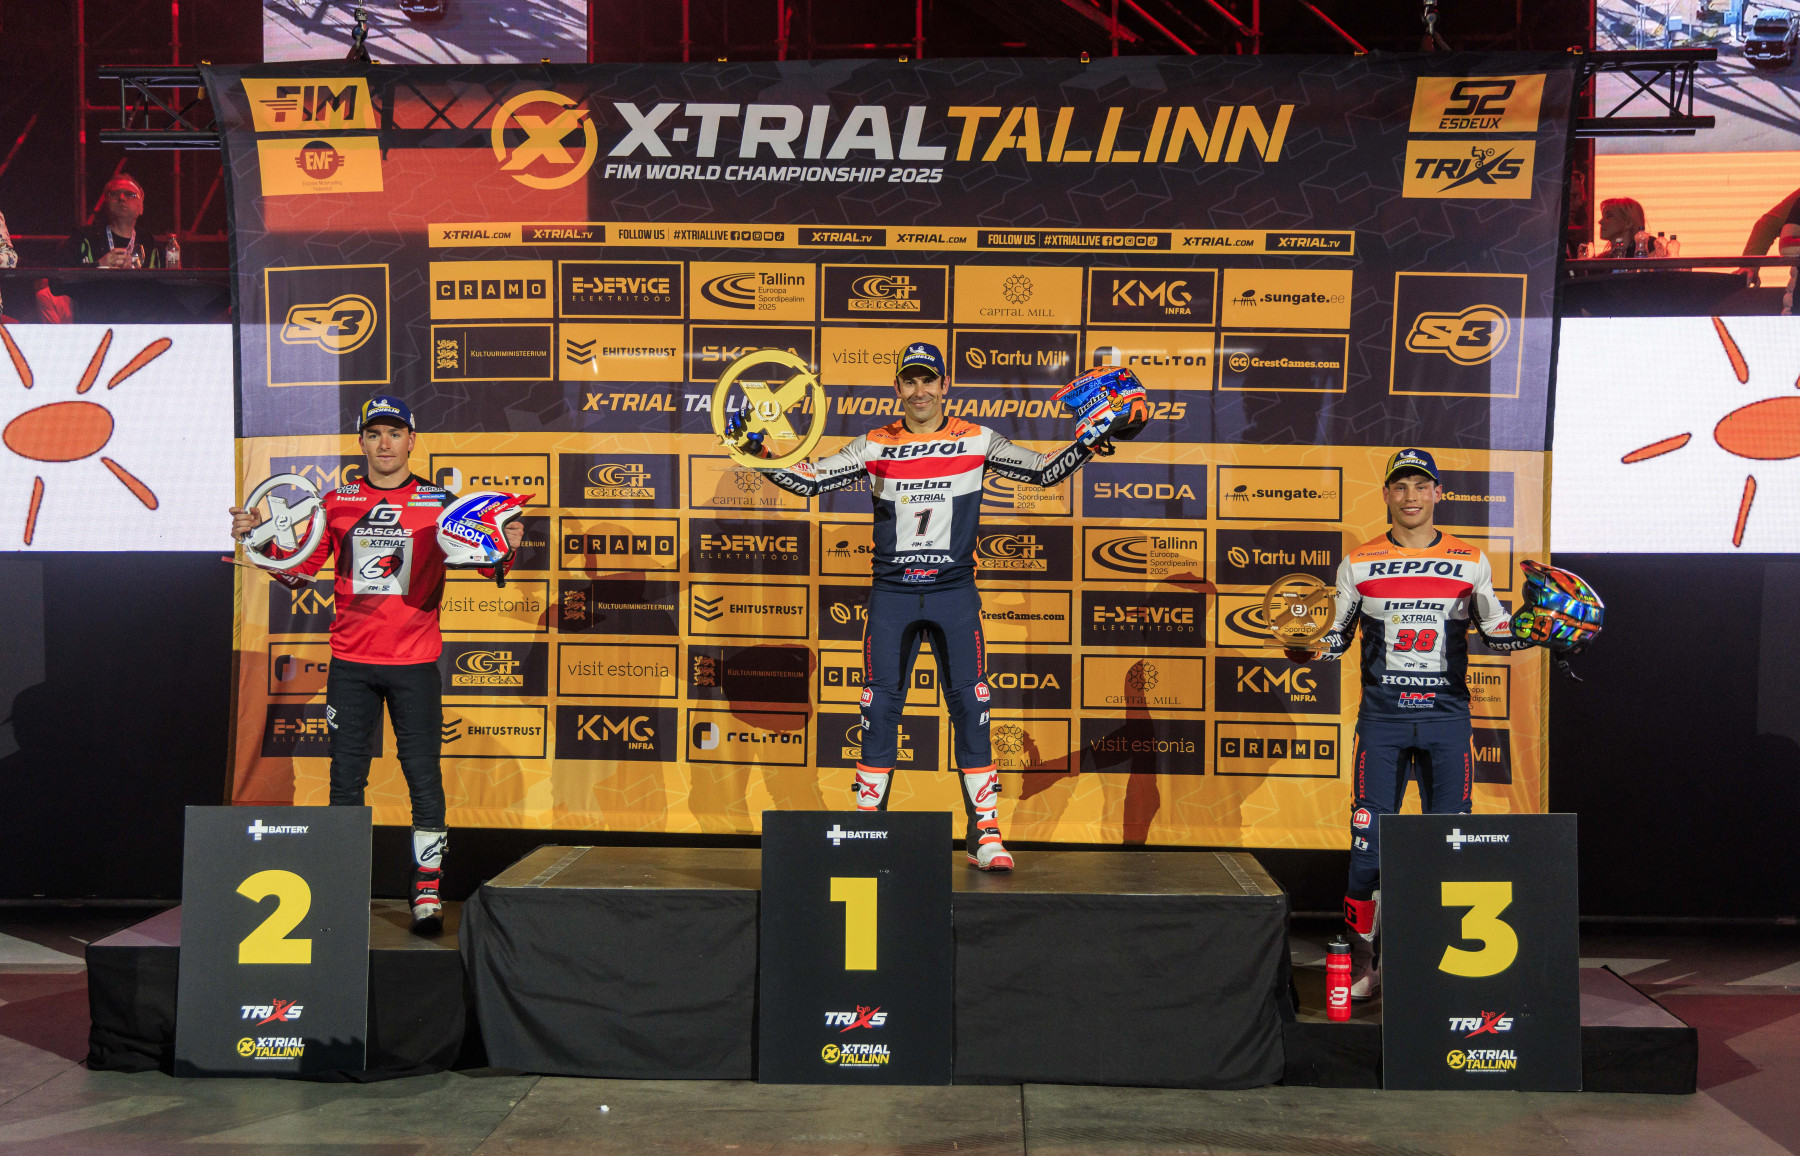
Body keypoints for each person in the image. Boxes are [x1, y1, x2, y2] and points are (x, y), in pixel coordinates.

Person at [727, 343, 1129, 871]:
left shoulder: (977, 438)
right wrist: (755, 451)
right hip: (892, 595)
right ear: (897, 387)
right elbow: (809, 480)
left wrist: (1088, 442)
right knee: (878, 710)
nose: (920, 391)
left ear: (945, 385)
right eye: (910, 381)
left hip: (953, 593)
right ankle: (868, 829)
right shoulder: (874, 443)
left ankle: (985, 835)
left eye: (928, 380)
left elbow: (1043, 472)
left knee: (973, 709)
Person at [228, 396, 523, 932]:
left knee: (423, 777)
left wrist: (507, 545)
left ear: (412, 440)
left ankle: (427, 891)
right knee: (346, 781)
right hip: (351, 664)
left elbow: (487, 565)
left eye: (394, 433)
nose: (385, 444)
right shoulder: (334, 502)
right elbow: (298, 574)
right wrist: (258, 539)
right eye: (374, 434)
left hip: (414, 663)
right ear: (361, 441)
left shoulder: (441, 503)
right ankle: (343, 891)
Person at [1286, 449, 1533, 996]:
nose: (1411, 496)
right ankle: (1367, 967)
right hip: (1383, 720)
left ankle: (1441, 966)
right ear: (1386, 495)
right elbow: (1337, 637)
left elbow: (1496, 632)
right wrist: (1305, 646)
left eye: (1421, 486)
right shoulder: (1358, 562)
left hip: (1447, 719)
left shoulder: (1470, 560)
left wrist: (1539, 630)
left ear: (1438, 493)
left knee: (1450, 844)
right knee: (1368, 848)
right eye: (1400, 486)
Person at [58, 175, 166, 269]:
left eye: (129, 194)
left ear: (141, 208)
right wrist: (100, 265)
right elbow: (60, 278)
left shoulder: (151, 245)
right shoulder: (83, 238)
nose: (121, 198)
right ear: (106, 204)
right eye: (114, 193)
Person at [1591, 196, 1667, 259]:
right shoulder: (1604, 258)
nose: (1600, 221)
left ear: (1628, 222)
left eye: (1609, 216)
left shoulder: (1648, 246)